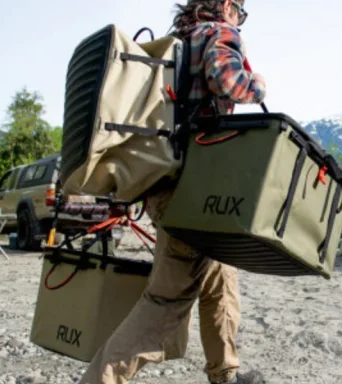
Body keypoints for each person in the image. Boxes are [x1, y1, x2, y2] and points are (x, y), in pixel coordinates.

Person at [79, 1, 266, 383]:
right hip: (196, 192)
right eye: (240, 12)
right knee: (165, 303)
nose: (240, 21)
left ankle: (224, 374)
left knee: (220, 282)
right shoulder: (221, 32)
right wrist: (258, 83)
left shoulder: (178, 41)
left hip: (166, 186)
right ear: (227, 5)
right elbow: (229, 81)